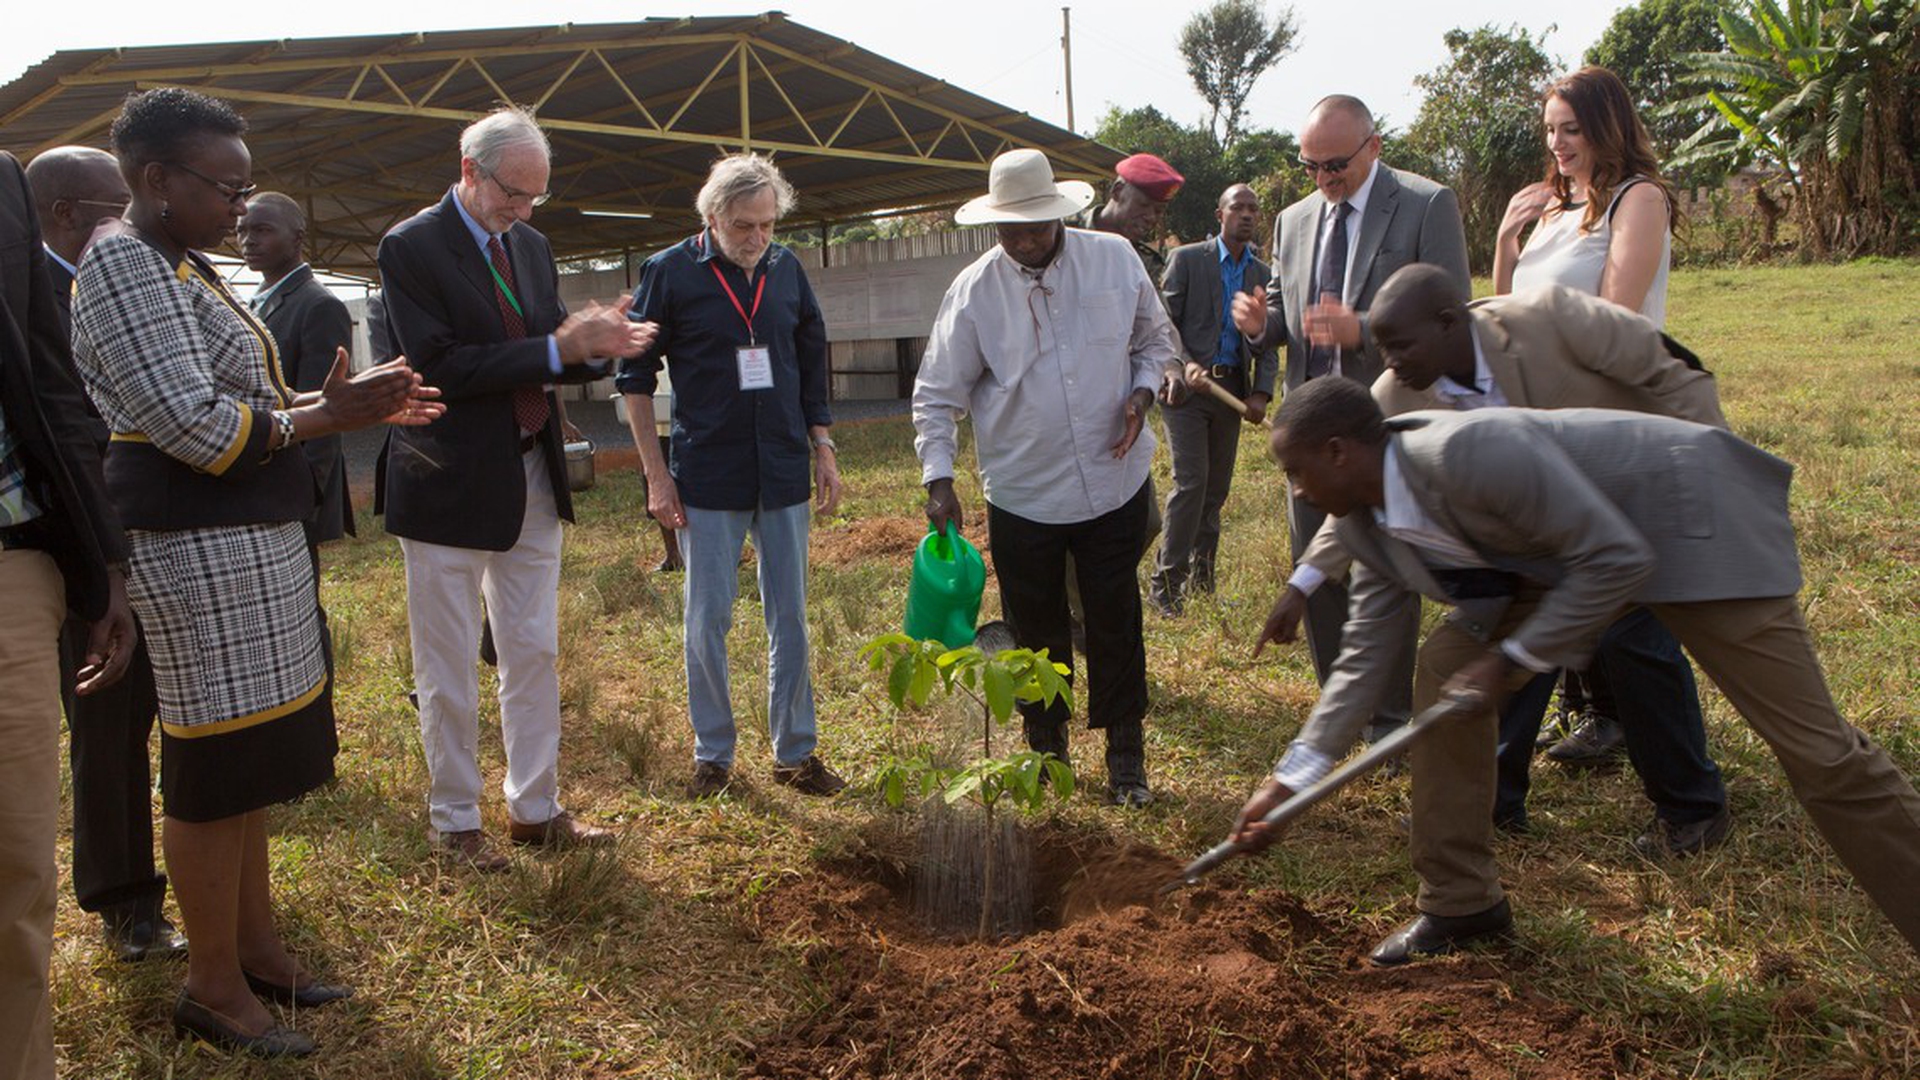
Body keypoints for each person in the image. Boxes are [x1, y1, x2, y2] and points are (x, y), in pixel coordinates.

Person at [1234, 377, 1920, 963]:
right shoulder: (1363, 523)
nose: (1295, 492)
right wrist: (1290, 780)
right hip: (1565, 558)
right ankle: (1461, 901)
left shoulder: (1467, 453)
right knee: (1445, 672)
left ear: (1338, 452)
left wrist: (1511, 660)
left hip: (1685, 518)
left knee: (1819, 753)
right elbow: (1362, 660)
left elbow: (1619, 558)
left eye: (1296, 473)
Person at [71, 86, 439, 1055]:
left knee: (251, 763)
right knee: (210, 763)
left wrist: (329, 402)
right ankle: (212, 985)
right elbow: (191, 425)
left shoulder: (182, 264)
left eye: (245, 188)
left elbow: (248, 397)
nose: (241, 206)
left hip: (247, 540)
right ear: (156, 180)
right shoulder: (122, 265)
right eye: (224, 186)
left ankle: (258, 948)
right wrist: (329, 418)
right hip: (194, 547)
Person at [1264, 263, 1733, 852]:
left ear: (1448, 322)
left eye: (1399, 344)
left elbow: (1670, 373)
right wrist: (1306, 581)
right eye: (1380, 348)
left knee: (1632, 644)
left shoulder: (1550, 319)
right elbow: (1359, 493)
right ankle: (1487, 815)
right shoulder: (1393, 395)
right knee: (1469, 666)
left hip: (1637, 508)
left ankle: (1691, 806)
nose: (1388, 362)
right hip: (1529, 554)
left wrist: (1710, 470)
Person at [378, 106, 651, 869]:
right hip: (449, 482)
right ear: (470, 171)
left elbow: (546, 344)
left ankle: (536, 808)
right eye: (512, 193)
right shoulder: (411, 247)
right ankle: (455, 819)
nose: (523, 211)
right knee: (448, 661)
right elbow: (441, 365)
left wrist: (596, 347)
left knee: (532, 649)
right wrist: (553, 348)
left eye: (536, 198)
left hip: (532, 468)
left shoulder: (528, 244)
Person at [913, 149, 1179, 806]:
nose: (1026, 241)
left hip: (1112, 479)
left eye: (1037, 226)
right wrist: (938, 477)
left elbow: (1156, 342)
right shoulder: (975, 291)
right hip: (1024, 493)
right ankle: (1048, 752)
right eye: (1012, 230)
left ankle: (1126, 759)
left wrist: (1141, 396)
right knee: (1036, 629)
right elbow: (936, 392)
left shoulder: (1114, 263)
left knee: (1116, 620)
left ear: (1060, 215)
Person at [1232, 94, 1470, 743]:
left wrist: (1362, 328)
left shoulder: (1425, 204)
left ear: (1374, 146)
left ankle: (1390, 724)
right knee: (1317, 568)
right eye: (1310, 165)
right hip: (1312, 432)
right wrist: (1261, 328)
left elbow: (1454, 313)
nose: (1323, 178)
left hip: (1389, 425)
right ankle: (1344, 709)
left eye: (1335, 164)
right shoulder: (1296, 219)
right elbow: (1287, 313)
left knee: (1387, 571)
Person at [617, 153, 845, 801]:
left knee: (791, 617)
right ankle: (713, 755)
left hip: (779, 469)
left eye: (768, 226)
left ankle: (795, 753)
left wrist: (821, 444)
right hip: (707, 474)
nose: (757, 240)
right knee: (707, 619)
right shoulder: (669, 274)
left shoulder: (786, 269)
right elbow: (633, 380)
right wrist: (656, 477)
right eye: (744, 226)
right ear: (712, 218)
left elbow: (808, 358)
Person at [1493, 65, 1682, 767]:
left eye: (1572, 129)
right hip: (1543, 412)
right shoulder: (1549, 204)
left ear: (1607, 125)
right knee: (1565, 573)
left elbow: (1613, 315)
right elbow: (1505, 309)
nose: (1559, 143)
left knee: (1615, 593)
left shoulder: (1639, 199)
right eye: (1550, 130)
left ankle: (1650, 744)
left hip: (1609, 411)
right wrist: (1509, 243)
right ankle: (1599, 716)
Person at [25, 145, 183, 963]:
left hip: (152, 537)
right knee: (107, 721)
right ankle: (125, 902)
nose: (126, 224)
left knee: (149, 710)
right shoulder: (34, 298)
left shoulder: (128, 281)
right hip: (83, 549)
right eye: (108, 211)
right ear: (61, 216)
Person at [0, 148, 136, 1080]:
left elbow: (47, 385)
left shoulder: (1, 183)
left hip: (9, 561)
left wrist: (102, 567)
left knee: (14, 869)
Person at [1149, 183, 1278, 615]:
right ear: (1219, 214)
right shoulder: (1187, 260)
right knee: (1191, 483)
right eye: (1237, 207)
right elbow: (1162, 325)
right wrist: (1183, 364)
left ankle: (1203, 585)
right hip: (1186, 393)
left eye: (1252, 209)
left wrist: (1261, 392)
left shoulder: (1261, 273)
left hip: (1231, 392)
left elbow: (1267, 341)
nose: (1246, 214)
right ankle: (1166, 585)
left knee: (1216, 491)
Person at [240, 192, 355, 551]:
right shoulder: (254, 302)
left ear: (298, 238)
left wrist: (309, 493)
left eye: (262, 230)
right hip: (266, 481)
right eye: (242, 230)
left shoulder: (317, 305)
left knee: (304, 602)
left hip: (293, 491)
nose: (248, 240)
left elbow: (325, 410)